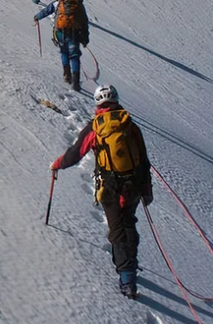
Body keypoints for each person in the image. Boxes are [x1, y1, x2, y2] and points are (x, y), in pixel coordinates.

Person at [51, 84, 153, 298]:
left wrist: (57, 164)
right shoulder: (130, 125)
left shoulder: (96, 127)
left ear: (98, 103)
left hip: (111, 187)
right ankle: (128, 264)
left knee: (118, 229)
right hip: (133, 185)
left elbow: (76, 153)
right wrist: (146, 190)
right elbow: (143, 160)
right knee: (128, 223)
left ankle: (127, 278)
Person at [35, 0, 89, 90]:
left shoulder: (59, 2)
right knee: (74, 56)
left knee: (64, 51)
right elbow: (84, 21)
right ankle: (76, 82)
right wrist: (85, 39)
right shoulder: (78, 4)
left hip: (60, 31)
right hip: (74, 33)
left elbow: (47, 10)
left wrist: (37, 17)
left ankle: (66, 74)